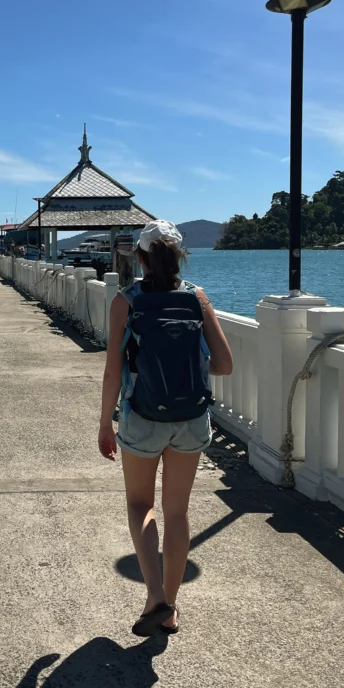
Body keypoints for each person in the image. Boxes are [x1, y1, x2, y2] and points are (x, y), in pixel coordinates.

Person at [98, 220, 233, 636]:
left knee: (140, 505)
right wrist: (188, 368)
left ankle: (154, 595)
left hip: (143, 417)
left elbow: (113, 370)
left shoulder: (126, 300)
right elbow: (225, 365)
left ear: (138, 257)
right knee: (178, 513)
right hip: (191, 419)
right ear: (180, 256)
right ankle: (171, 608)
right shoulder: (197, 298)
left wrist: (105, 423)